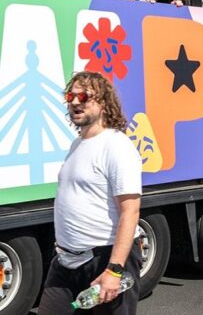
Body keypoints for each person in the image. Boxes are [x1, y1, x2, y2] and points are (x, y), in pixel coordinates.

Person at [38, 72, 143, 314]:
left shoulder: (116, 146)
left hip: (104, 259)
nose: (75, 102)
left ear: (104, 102)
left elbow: (130, 211)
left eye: (84, 96)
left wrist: (114, 270)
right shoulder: (77, 144)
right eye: (70, 96)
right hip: (65, 260)